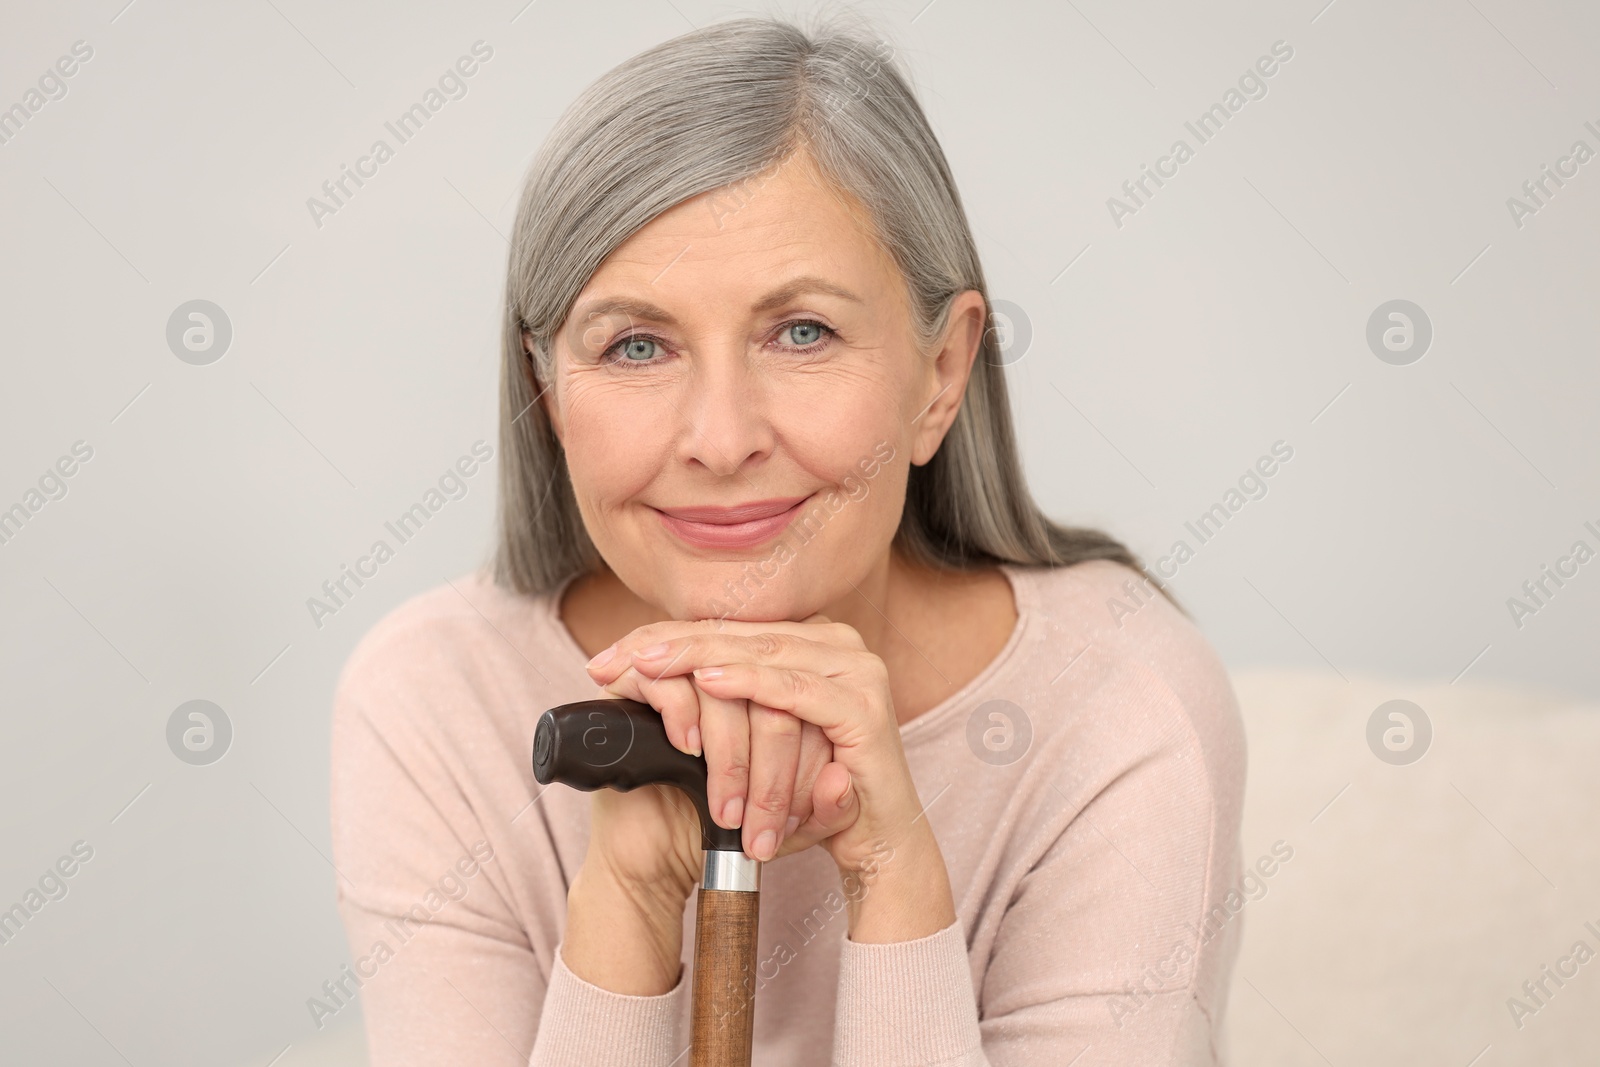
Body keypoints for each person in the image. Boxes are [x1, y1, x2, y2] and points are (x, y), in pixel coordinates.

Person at [330, 14, 1246, 1066]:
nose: (720, 440)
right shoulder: (433, 697)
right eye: (636, 345)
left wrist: (894, 879)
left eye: (800, 331)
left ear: (940, 374)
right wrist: (624, 906)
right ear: (546, 392)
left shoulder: (1120, 701)